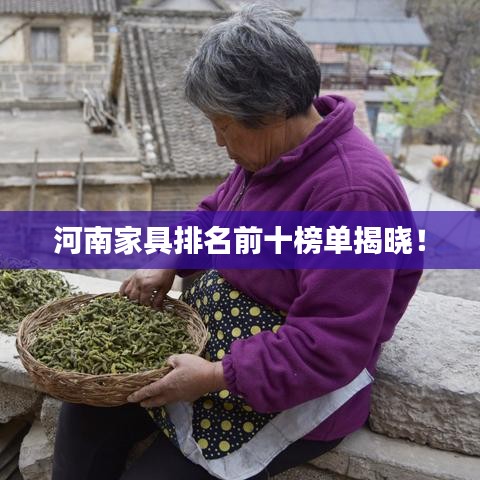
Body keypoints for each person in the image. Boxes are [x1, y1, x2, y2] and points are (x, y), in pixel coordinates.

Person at [52, 4, 422, 479]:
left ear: (273, 111)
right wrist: (170, 257)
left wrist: (213, 377)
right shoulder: (274, 152)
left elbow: (329, 344)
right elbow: (215, 214)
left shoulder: (352, 196)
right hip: (218, 344)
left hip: (289, 383)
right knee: (85, 413)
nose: (219, 143)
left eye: (223, 126)